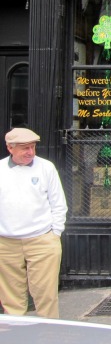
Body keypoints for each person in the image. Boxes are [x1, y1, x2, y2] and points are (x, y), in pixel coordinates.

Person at [0, 128, 68, 318]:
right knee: (11, 298)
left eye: (32, 147)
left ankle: (48, 335)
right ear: (9, 148)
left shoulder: (46, 168)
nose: (31, 152)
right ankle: (16, 336)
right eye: (25, 148)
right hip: (6, 242)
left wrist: (55, 234)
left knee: (46, 295)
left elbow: (58, 203)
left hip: (42, 239)